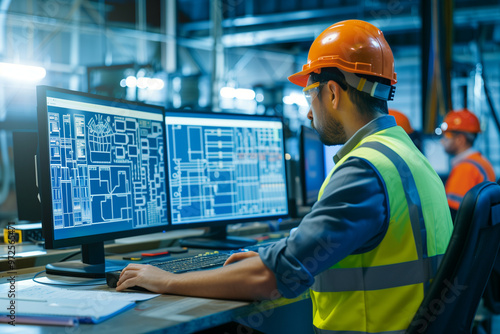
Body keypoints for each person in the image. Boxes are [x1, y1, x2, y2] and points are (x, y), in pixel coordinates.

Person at [116, 20, 453, 333]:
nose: (308, 112)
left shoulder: (364, 170)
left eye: (310, 95)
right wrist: (276, 253)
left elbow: (270, 279)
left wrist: (166, 280)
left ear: (333, 93)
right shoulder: (406, 156)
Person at [440, 108, 496, 219]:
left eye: (446, 136)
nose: (442, 141)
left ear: (460, 139)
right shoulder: (481, 162)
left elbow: (452, 215)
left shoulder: (466, 168)